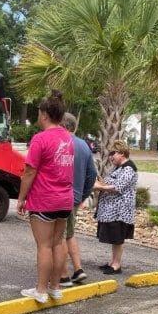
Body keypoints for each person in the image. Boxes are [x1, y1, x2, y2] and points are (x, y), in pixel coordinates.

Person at [17, 90, 74, 304]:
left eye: (39, 113)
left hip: (44, 199)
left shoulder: (40, 139)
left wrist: (21, 198)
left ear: (44, 115)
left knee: (44, 246)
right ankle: (55, 287)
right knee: (58, 243)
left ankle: (40, 290)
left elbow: (30, 171)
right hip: (64, 199)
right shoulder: (68, 138)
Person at [59, 113, 97, 287]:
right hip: (75, 197)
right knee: (70, 234)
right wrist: (83, 195)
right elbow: (92, 174)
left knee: (59, 236)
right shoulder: (84, 146)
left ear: (64, 125)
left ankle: (63, 275)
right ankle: (78, 269)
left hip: (59, 196)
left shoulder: (61, 143)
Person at [94, 140, 138, 274]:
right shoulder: (119, 167)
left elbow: (118, 187)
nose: (110, 157)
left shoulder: (129, 168)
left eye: (113, 153)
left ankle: (116, 265)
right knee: (114, 238)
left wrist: (100, 187)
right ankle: (112, 262)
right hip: (112, 211)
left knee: (118, 239)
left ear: (122, 153)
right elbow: (110, 181)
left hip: (120, 212)